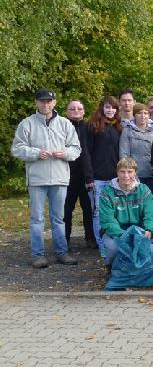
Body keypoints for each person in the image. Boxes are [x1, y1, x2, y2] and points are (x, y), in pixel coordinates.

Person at [11, 89, 81, 268]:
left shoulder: (65, 124)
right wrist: (35, 153)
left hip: (59, 178)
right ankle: (38, 255)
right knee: (37, 219)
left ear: (55, 103)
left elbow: (76, 149)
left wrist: (64, 153)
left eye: (49, 101)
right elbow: (17, 148)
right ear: (36, 103)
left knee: (59, 218)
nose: (46, 104)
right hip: (37, 179)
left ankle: (61, 253)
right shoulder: (26, 124)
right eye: (42, 101)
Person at [98, 158, 153, 268]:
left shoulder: (144, 190)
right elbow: (107, 220)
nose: (126, 176)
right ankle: (110, 267)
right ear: (117, 173)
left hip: (139, 231)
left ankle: (147, 269)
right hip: (115, 233)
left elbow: (151, 214)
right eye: (122, 172)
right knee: (114, 248)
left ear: (135, 173)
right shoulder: (107, 192)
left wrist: (149, 229)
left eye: (130, 172)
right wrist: (124, 236)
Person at [87, 96, 123, 250]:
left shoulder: (119, 127)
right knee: (98, 213)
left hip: (116, 178)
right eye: (107, 107)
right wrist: (89, 176)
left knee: (116, 211)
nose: (110, 110)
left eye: (113, 107)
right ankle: (102, 247)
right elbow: (87, 153)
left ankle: (115, 244)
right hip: (98, 178)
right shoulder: (93, 126)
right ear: (102, 108)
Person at [62, 100, 95, 248]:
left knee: (88, 208)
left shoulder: (89, 127)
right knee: (66, 209)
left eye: (79, 108)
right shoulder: (62, 126)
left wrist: (91, 174)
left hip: (87, 175)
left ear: (84, 111)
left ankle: (90, 237)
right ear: (67, 111)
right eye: (72, 108)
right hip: (67, 175)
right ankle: (65, 239)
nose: (76, 111)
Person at [119, 103, 153, 191]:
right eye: (139, 113)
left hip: (152, 174)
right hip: (135, 175)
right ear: (134, 115)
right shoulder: (127, 130)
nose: (143, 116)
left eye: (145, 113)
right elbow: (124, 154)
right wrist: (129, 173)